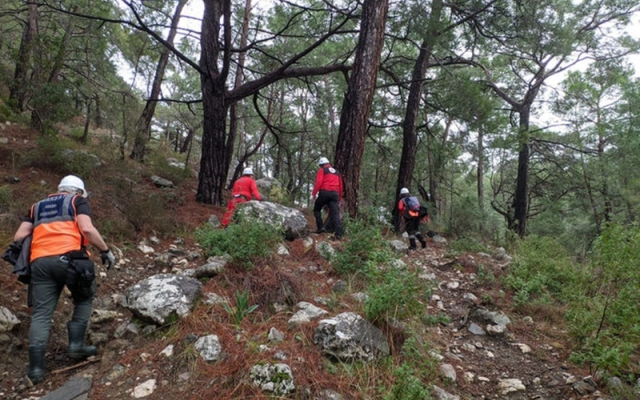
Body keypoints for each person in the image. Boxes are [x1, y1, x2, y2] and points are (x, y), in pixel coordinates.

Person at [12, 175, 116, 384]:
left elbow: (19, 237)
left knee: (41, 313)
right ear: (77, 192)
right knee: (85, 298)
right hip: (71, 260)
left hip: (39, 263)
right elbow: (86, 228)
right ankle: (76, 346)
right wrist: (105, 250)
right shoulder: (77, 201)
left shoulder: (36, 207)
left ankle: (35, 370)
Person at [311, 157, 343, 239]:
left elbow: (318, 182)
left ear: (321, 165)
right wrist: (339, 199)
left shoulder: (322, 170)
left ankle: (321, 227)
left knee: (317, 209)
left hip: (324, 192)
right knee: (335, 214)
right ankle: (338, 234)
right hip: (335, 194)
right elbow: (340, 187)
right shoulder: (337, 172)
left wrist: (313, 194)